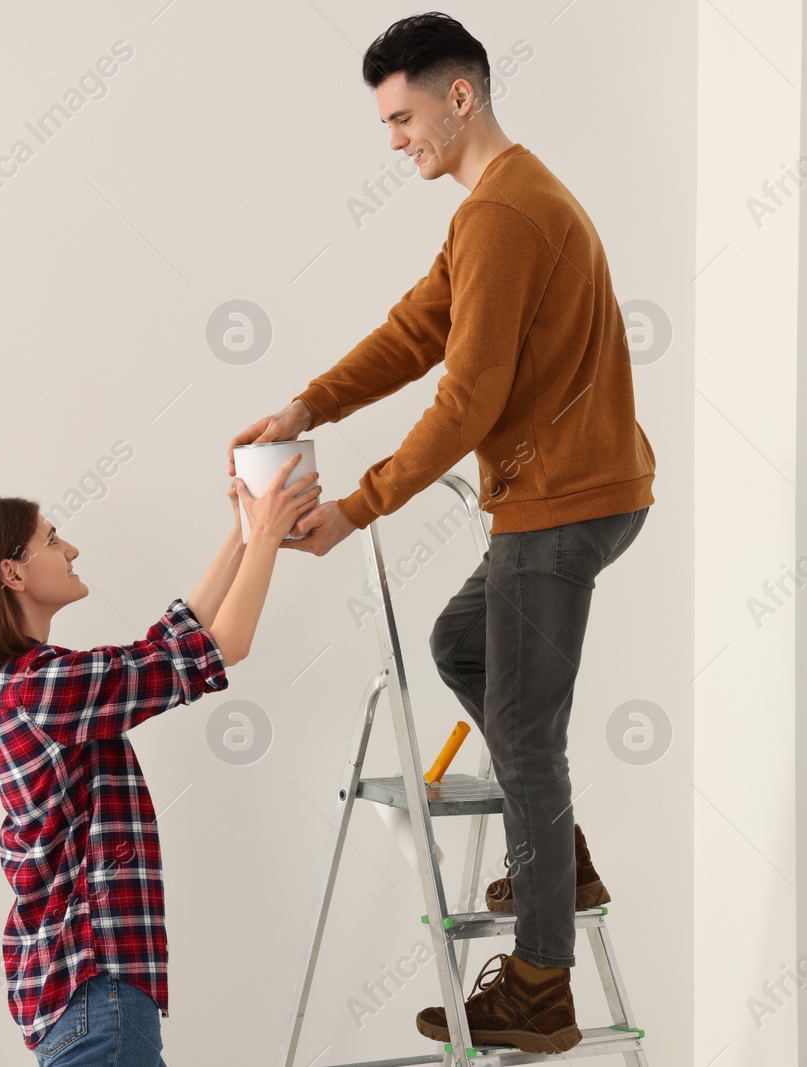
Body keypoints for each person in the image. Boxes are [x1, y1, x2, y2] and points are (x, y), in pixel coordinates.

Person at [227, 11, 655, 1056]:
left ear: (459, 97)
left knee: (524, 731)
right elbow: (421, 328)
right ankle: (563, 860)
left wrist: (356, 506)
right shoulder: (496, 208)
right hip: (581, 494)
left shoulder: (507, 213)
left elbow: (464, 401)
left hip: (556, 505)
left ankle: (539, 983)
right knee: (462, 645)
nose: (394, 140)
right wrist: (306, 407)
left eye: (402, 115)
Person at [0, 457, 320, 1064]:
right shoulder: (43, 688)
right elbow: (224, 647)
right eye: (52, 540)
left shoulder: (7, 685)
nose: (72, 549)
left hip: (78, 992)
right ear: (12, 573)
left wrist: (244, 532)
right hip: (97, 989)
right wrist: (267, 536)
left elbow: (163, 648)